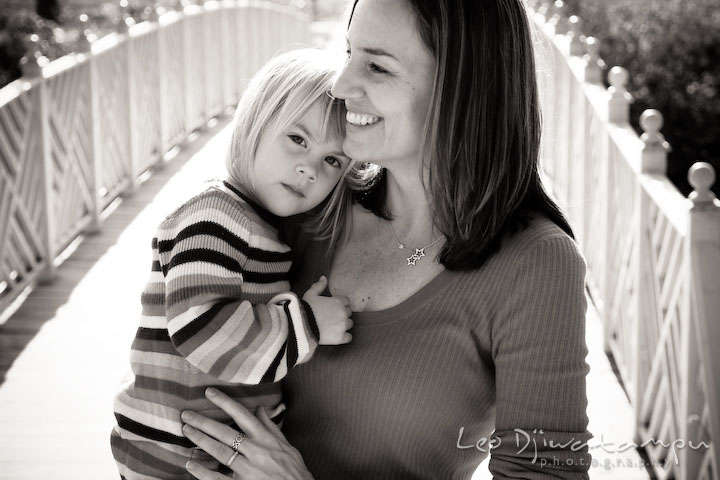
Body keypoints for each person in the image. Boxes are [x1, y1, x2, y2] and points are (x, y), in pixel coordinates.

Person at [179, 0, 593, 478]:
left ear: (461, 86)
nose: (339, 85)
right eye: (349, 52)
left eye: (376, 67)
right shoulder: (310, 200)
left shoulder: (536, 265)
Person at [110, 48, 354, 479]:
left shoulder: (252, 225)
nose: (309, 168)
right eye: (298, 139)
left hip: (208, 453)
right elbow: (201, 329)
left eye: (332, 161)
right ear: (256, 122)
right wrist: (307, 325)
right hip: (174, 457)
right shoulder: (216, 217)